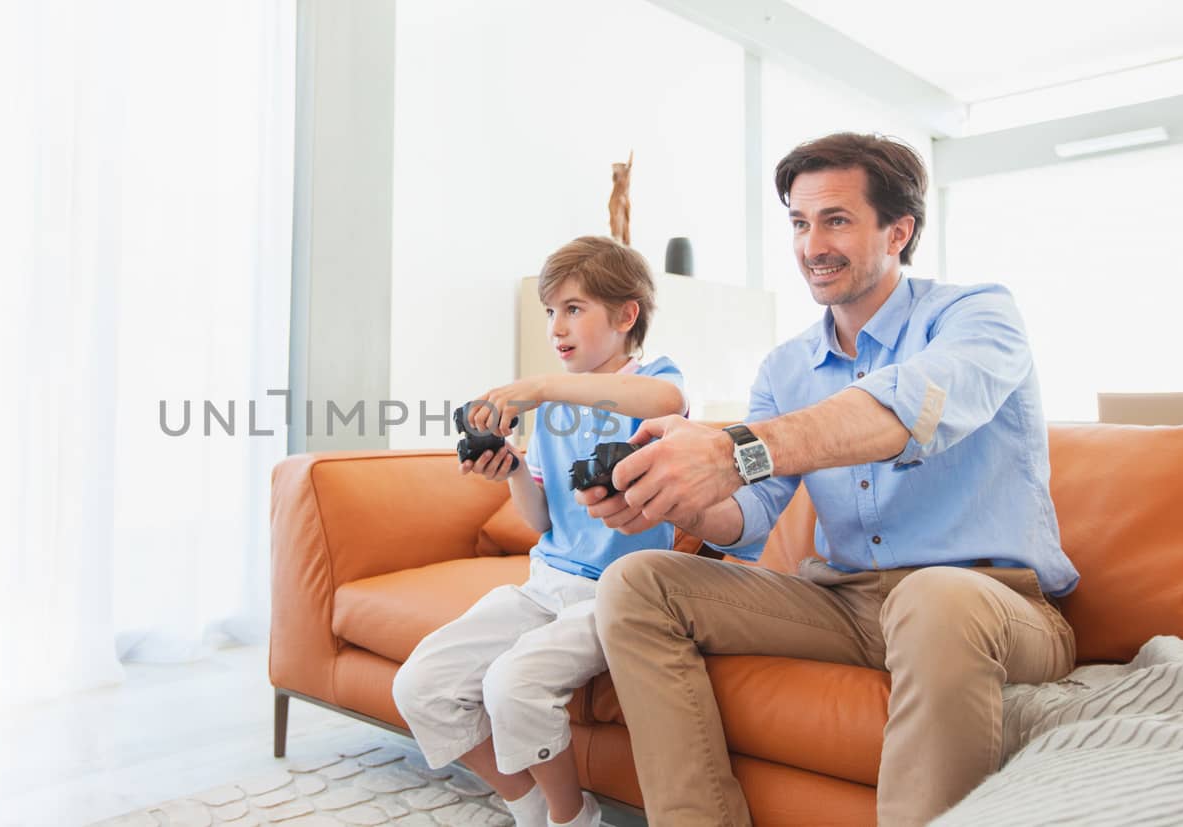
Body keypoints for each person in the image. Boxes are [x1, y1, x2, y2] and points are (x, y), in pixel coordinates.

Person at [577, 132, 1080, 826]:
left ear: (898, 230)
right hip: (844, 603)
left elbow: (913, 407)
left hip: (995, 604)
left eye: (836, 220)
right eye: (799, 222)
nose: (813, 244)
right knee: (636, 583)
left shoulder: (975, 316)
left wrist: (732, 451)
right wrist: (677, 497)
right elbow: (749, 515)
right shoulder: (787, 367)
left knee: (933, 598)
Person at [392, 236, 688, 827]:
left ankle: (567, 817)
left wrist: (543, 386)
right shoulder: (552, 411)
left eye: (573, 309)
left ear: (627, 315)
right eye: (550, 311)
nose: (556, 326)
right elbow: (540, 522)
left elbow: (667, 399)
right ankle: (527, 803)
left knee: (513, 685)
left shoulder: (651, 379)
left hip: (619, 595)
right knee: (420, 685)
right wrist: (509, 473)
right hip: (545, 583)